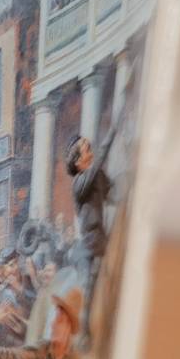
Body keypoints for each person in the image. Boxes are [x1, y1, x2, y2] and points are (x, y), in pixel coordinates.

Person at [65, 126, 116, 343]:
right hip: (87, 244)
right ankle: (82, 334)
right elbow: (98, 166)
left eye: (89, 147)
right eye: (87, 149)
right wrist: (111, 134)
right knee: (87, 289)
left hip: (100, 239)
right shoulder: (79, 182)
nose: (91, 151)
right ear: (78, 162)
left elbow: (113, 193)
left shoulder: (97, 175)